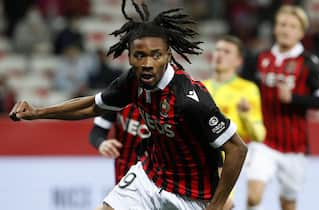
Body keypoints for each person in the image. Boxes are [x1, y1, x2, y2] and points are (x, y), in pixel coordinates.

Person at [9, 1, 248, 209]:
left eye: (156, 55)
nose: (147, 63)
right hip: (150, 177)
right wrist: (39, 111)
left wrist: (216, 205)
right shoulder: (131, 82)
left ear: (167, 56)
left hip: (192, 195)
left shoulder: (190, 99)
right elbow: (93, 106)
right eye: (139, 55)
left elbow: (237, 149)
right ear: (130, 55)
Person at [243, 5, 319, 210]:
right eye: (282, 24)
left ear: (301, 32)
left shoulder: (309, 62)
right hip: (264, 141)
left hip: (295, 146)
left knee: (288, 203)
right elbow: (244, 87)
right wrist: (245, 103)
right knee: (254, 196)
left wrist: (294, 98)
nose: (286, 30)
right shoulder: (259, 58)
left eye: (293, 26)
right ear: (275, 28)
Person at [203, 35, 266, 210]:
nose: (220, 55)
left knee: (221, 205)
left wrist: (245, 114)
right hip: (199, 158)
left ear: (238, 61)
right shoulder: (200, 87)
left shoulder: (247, 89)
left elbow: (259, 134)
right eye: (217, 50)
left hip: (228, 159)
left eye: (227, 51)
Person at [89, 103, 151, 184]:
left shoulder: (169, 101)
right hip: (124, 173)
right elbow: (96, 132)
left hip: (162, 178)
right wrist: (101, 143)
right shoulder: (118, 95)